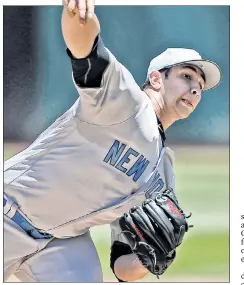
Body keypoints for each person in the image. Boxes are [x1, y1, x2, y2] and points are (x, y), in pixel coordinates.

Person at [3, 1, 222, 282]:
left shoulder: (163, 174)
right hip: (8, 212)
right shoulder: (124, 102)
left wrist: (151, 257)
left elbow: (122, 268)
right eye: (186, 76)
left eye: (200, 87)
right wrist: (77, 14)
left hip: (60, 242)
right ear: (156, 79)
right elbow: (86, 50)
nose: (194, 88)